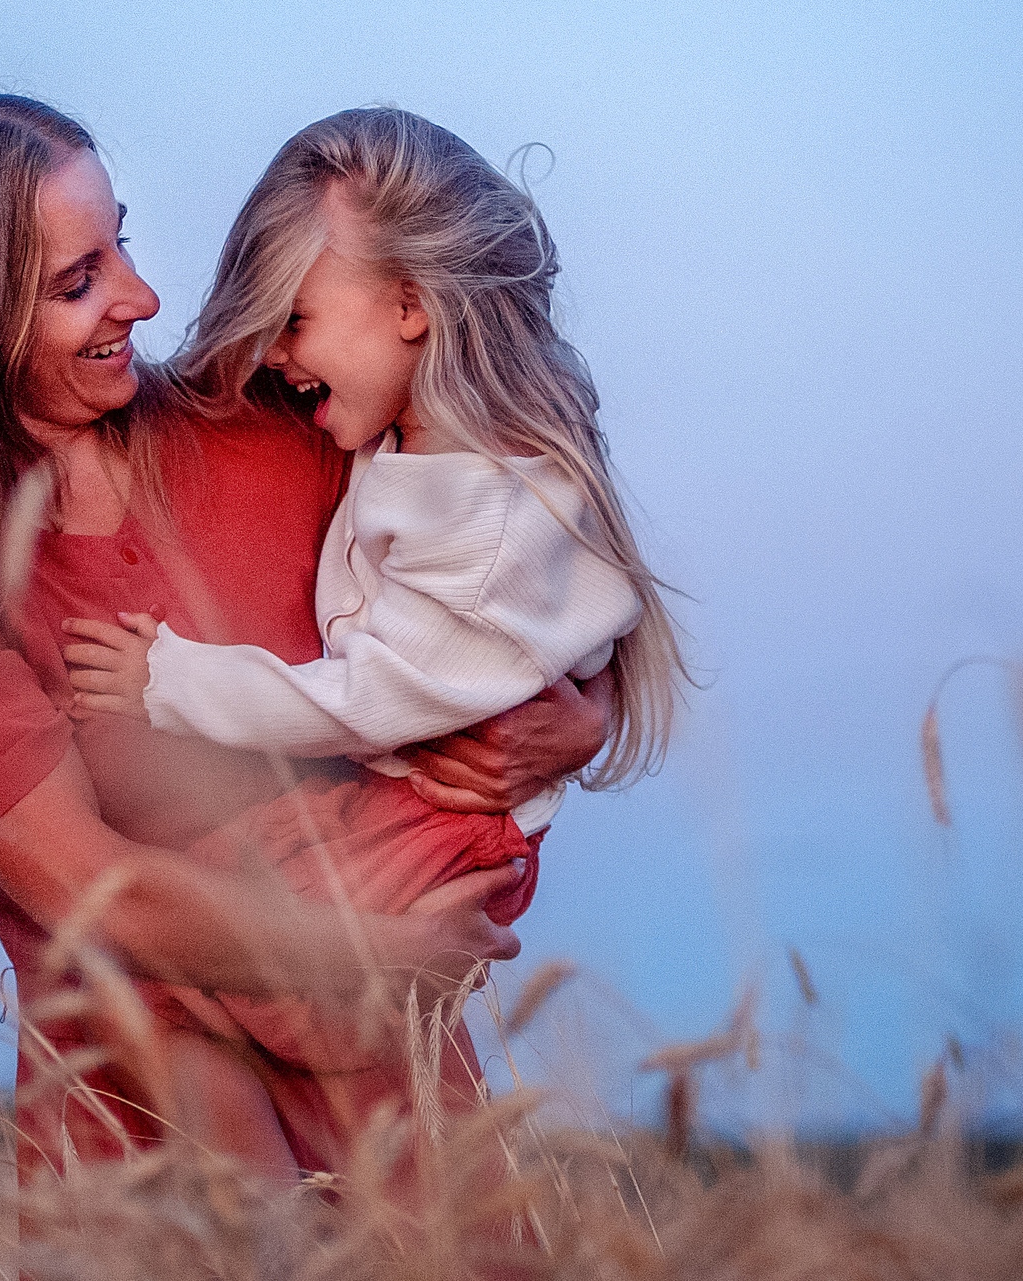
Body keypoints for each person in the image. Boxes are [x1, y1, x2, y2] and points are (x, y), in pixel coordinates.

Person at [0, 90, 608, 1186]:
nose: (143, 293)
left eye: (116, 240)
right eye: (78, 281)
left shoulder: (268, 425)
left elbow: (517, 544)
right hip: (156, 1178)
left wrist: (575, 719)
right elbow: (101, 890)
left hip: (400, 1126)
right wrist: (378, 950)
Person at [60, 107, 682, 1076]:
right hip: (397, 802)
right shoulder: (396, 431)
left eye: (294, 320)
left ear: (410, 305)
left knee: (272, 1001)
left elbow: (370, 698)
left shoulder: (484, 506)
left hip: (436, 822)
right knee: (220, 958)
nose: (271, 353)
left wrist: (166, 680)